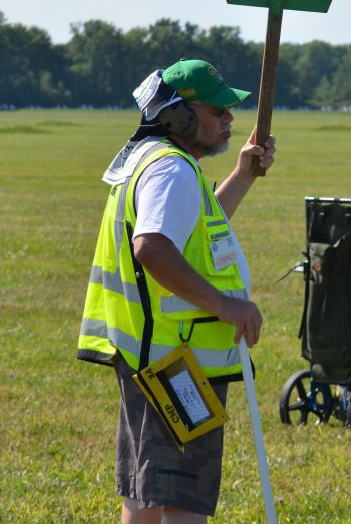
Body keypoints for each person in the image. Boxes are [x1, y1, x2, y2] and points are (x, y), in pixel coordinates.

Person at [77, 59, 276, 522]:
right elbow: (154, 248)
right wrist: (226, 305)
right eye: (217, 110)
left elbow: (192, 232)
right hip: (175, 361)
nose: (229, 119)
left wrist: (244, 174)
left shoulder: (159, 162)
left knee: (149, 494)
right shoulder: (172, 171)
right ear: (179, 115)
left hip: (159, 357)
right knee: (179, 499)